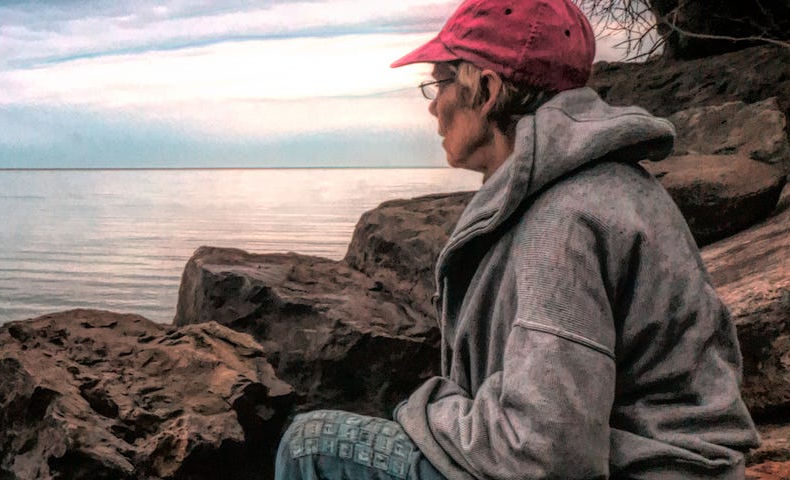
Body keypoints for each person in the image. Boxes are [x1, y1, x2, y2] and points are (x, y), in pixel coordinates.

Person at [273, 0, 761, 478]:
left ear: (485, 90)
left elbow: (546, 454)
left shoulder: (561, 223)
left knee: (306, 446)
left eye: (438, 82)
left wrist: (432, 409)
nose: (432, 108)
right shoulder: (614, 183)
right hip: (677, 462)